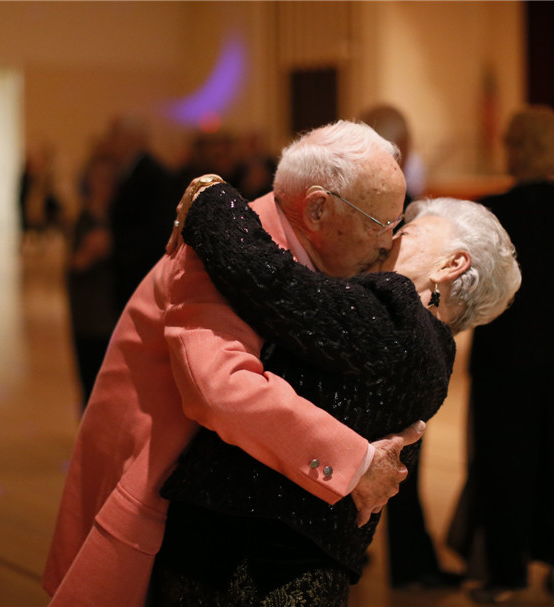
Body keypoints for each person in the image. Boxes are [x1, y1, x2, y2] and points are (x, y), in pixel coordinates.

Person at [43, 121, 428, 607]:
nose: (384, 245)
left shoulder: (275, 239)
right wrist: (355, 464)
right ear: (316, 208)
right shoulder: (222, 248)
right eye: (378, 225)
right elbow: (219, 389)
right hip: (149, 486)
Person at [148, 176, 521, 606]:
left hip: (256, 569)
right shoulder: (432, 354)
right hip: (289, 568)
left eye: (406, 232)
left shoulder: (398, 316)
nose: (387, 240)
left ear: (451, 264)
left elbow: (270, 282)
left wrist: (212, 195)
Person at [445, 105, 554, 604]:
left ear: (515, 148)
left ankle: (506, 574)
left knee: (503, 462)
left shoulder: (493, 213)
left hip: (507, 355)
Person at [359, 103, 455, 588]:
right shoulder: (407, 209)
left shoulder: (349, 205)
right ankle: (413, 566)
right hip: (396, 352)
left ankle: (366, 553)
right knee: (402, 463)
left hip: (356, 347)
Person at [106, 114, 178, 313]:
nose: (110, 142)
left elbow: (158, 229)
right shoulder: (132, 171)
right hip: (132, 269)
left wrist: (114, 242)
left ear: (132, 139)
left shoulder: (151, 175)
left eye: (114, 136)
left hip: (140, 271)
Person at [66, 148, 118, 412]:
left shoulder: (120, 219)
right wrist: (90, 252)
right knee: (91, 387)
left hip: (115, 315)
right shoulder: (83, 220)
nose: (105, 184)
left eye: (110, 178)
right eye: (100, 178)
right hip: (89, 319)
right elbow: (73, 266)